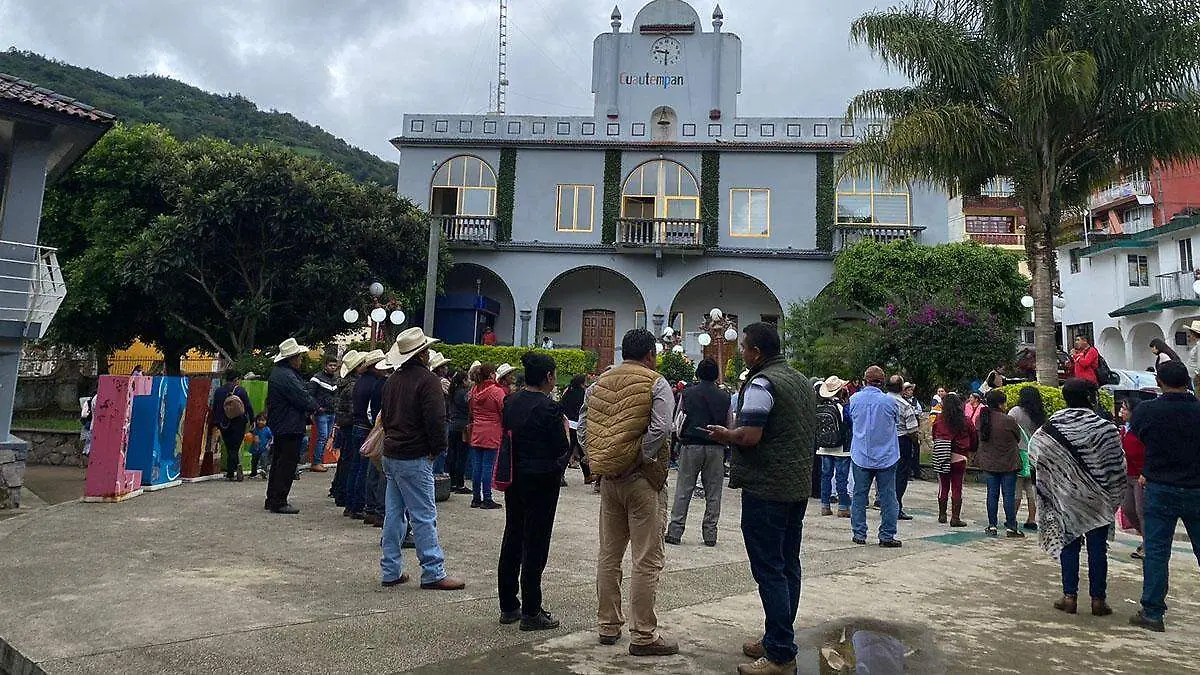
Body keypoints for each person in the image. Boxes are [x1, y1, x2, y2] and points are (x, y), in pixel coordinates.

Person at [704, 323, 814, 675]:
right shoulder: (798, 379)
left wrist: (726, 435)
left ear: (756, 352)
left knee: (769, 570)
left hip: (767, 488)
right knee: (787, 565)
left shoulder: (762, 383)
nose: (740, 354)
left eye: (743, 349)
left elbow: (750, 436)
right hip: (796, 487)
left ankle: (781, 653)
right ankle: (775, 637)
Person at [578, 328, 677, 657]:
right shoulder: (656, 381)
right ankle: (643, 634)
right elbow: (663, 426)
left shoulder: (599, 383)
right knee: (646, 559)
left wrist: (598, 458)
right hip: (643, 481)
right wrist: (641, 455)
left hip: (609, 481)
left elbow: (583, 424)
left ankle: (608, 625)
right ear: (650, 354)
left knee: (609, 554)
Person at [377, 328, 466, 591]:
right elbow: (436, 420)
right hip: (414, 454)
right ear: (423, 353)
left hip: (392, 452)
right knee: (424, 515)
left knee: (393, 515)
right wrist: (438, 447)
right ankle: (433, 571)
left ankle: (390, 569)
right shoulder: (427, 381)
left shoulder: (392, 380)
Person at [1030, 378, 1126, 617]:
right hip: (1098, 499)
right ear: (1090, 398)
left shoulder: (1050, 427)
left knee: (1069, 546)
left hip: (1066, 497)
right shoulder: (1105, 427)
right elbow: (1118, 464)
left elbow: (1035, 454)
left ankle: (1069, 597)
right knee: (1097, 549)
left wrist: (1055, 481)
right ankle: (1098, 600)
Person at [497, 351, 571, 630]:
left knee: (513, 535)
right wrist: (565, 431)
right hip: (541, 478)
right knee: (536, 542)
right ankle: (531, 609)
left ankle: (508, 604)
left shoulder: (510, 401)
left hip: (515, 474)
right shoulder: (549, 408)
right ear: (548, 377)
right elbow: (560, 447)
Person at [1129, 361, 1200, 632]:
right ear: (1187, 381)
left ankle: (1153, 612)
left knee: (1157, 552)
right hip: (1196, 486)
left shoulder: (1147, 411)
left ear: (1159, 382)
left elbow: (1138, 437)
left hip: (1159, 485)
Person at [666, 358, 731, 547]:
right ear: (716, 375)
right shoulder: (725, 396)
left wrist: (679, 440)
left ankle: (675, 531)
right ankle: (710, 534)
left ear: (698, 374)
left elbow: (678, 420)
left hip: (691, 445)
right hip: (716, 447)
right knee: (713, 493)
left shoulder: (687, 394)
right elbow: (729, 423)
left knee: (684, 489)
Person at [845, 366, 902, 547]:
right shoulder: (890, 402)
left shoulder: (854, 400)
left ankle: (859, 533)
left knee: (859, 495)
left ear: (864, 380)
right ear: (882, 381)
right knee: (888, 496)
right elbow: (896, 421)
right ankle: (886, 535)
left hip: (861, 454)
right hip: (886, 455)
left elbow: (851, 420)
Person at [264, 339, 319, 514]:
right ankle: (279, 500)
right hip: (290, 424)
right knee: (286, 464)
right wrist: (315, 406)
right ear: (291, 358)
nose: (301, 361)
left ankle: (272, 497)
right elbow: (303, 398)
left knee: (278, 462)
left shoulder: (278, 374)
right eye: (299, 357)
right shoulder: (287, 377)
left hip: (281, 423)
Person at [975, 389, 1024, 538]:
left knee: (992, 494)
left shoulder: (981, 420)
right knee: (1008, 495)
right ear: (1001, 404)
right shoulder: (1008, 420)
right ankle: (1011, 527)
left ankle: (992, 525)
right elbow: (1018, 437)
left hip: (989, 463)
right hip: (1008, 462)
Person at [345, 350, 387, 520]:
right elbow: (373, 411)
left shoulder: (360, 382)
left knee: (355, 466)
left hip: (357, 425)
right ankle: (361, 505)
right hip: (367, 427)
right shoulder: (375, 384)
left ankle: (351, 504)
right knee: (367, 469)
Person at [932, 393, 976, 527]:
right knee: (957, 487)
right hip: (959, 457)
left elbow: (934, 436)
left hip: (942, 455)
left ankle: (942, 514)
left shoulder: (939, 420)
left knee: (943, 486)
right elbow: (974, 438)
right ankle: (955, 518)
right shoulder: (966, 420)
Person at [469, 363, 507, 509]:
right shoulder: (496, 391)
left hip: (477, 430)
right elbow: (503, 410)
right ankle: (487, 498)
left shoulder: (474, 390)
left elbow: (471, 410)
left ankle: (476, 497)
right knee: (488, 467)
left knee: (477, 466)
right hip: (492, 431)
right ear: (491, 374)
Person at [330, 350, 366, 504]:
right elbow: (354, 409)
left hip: (343, 423)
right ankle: (343, 493)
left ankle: (338, 489)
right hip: (351, 424)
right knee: (350, 461)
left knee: (344, 460)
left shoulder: (342, 383)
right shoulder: (353, 385)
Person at [1009, 386, 1046, 531]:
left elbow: (1009, 427)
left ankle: (1012, 518)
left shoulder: (1016, 411)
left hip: (1019, 453)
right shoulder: (1040, 415)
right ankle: (1031, 519)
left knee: (1016, 489)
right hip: (1035, 455)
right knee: (1031, 489)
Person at [816, 376, 851, 518]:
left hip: (823, 447)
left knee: (826, 476)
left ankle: (825, 506)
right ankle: (843, 507)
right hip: (841, 447)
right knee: (841, 478)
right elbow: (849, 422)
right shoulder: (841, 407)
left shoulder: (819, 407)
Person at [885, 375, 919, 521]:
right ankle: (896, 506)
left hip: (885, 439)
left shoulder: (883, 401)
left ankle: (884, 503)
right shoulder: (905, 405)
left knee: (886, 473)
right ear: (901, 388)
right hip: (902, 440)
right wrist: (915, 442)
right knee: (901, 475)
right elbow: (912, 430)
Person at [211, 369, 254, 483]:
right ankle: (236, 466)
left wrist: (215, 422)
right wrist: (252, 419)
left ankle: (230, 472)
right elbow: (248, 406)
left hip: (223, 423)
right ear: (236, 379)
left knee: (230, 447)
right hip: (238, 423)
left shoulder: (219, 391)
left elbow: (215, 407)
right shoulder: (240, 390)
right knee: (235, 447)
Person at [1118, 398, 1146, 560]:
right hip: (1127, 474)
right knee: (1128, 509)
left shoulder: (1142, 430)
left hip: (1141, 476)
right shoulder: (1123, 430)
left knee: (1141, 510)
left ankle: (1149, 545)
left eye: (1125, 408)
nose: (1122, 411)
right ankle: (1145, 537)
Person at [305, 357, 340, 473]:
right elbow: (310, 395)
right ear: (325, 365)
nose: (333, 368)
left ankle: (318, 461)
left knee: (326, 437)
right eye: (330, 365)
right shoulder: (316, 379)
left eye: (334, 366)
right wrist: (317, 408)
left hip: (332, 412)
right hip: (322, 413)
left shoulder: (335, 379)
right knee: (323, 437)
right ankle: (316, 462)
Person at [559, 374, 591, 484]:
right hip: (579, 425)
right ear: (582, 383)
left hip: (568, 424)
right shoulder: (583, 394)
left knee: (568, 451)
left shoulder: (568, 392)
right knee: (582, 450)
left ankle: (561, 474)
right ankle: (588, 476)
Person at [447, 371, 473, 495]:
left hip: (453, 425)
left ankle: (452, 482)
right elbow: (470, 407)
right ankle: (460, 484)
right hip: (463, 426)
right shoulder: (464, 394)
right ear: (463, 381)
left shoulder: (453, 393)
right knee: (461, 456)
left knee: (453, 454)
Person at [249, 413, 273, 479]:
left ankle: (264, 471)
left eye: (263, 420)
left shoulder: (267, 430)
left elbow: (271, 438)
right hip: (255, 447)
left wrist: (268, 445)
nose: (260, 422)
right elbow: (249, 435)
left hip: (264, 448)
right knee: (254, 460)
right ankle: (253, 472)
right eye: (259, 420)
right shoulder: (255, 429)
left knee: (264, 459)